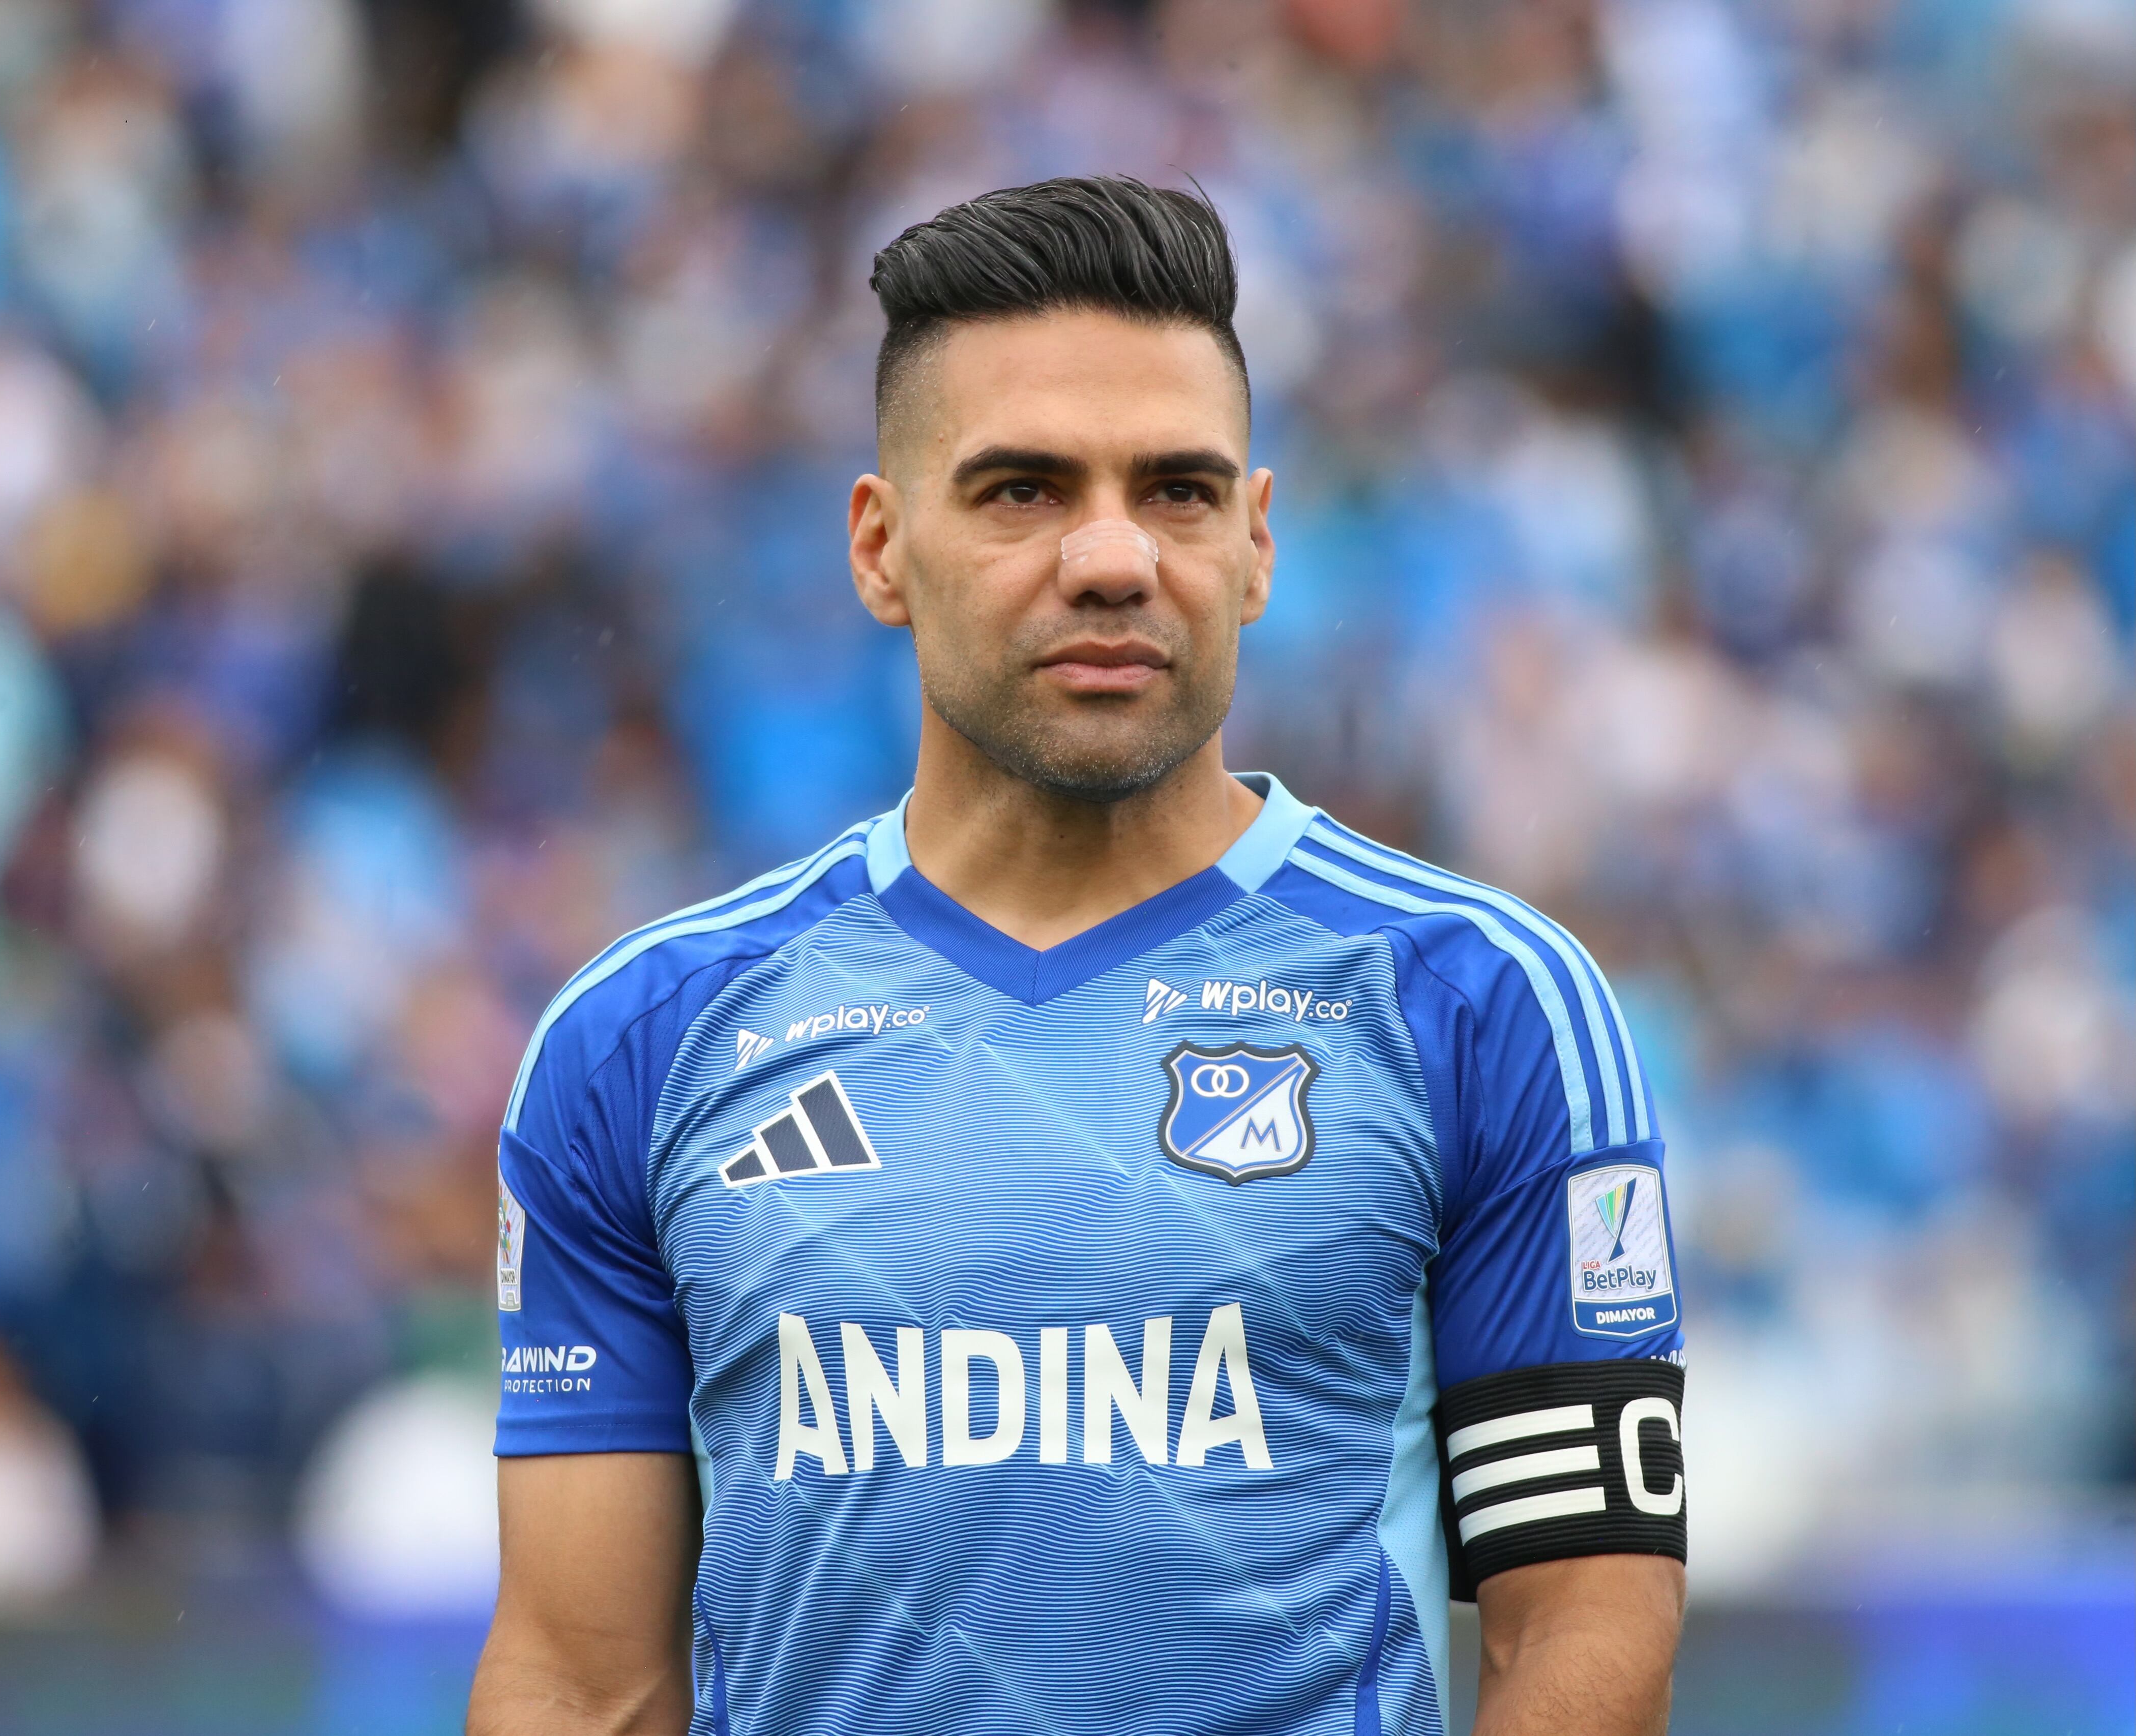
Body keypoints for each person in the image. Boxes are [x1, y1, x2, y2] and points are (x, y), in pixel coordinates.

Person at [467, 176, 1686, 1736]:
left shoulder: (1483, 1005)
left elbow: (1581, 1628)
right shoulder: (641, 1039)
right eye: (1022, 490)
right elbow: (581, 1679)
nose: (1111, 558)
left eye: (1175, 492)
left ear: (1254, 547)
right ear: (881, 545)